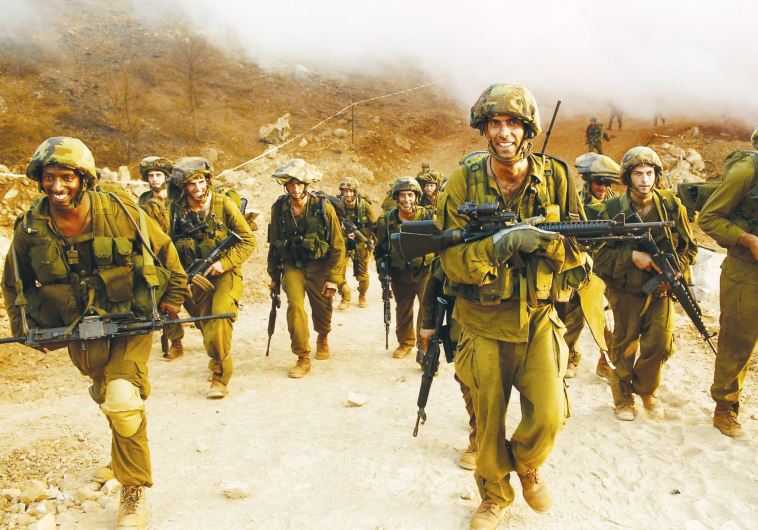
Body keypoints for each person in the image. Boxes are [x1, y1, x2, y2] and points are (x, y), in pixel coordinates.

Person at [2, 137, 188, 529]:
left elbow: (164, 250)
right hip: (78, 327)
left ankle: (133, 490)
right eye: (49, 177)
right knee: (108, 395)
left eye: (66, 177)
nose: (57, 186)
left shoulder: (118, 209)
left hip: (131, 317)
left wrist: (173, 298)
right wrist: (26, 331)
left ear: (83, 178)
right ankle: (122, 458)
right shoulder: (32, 226)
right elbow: (15, 282)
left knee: (122, 398)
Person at [439, 84, 586, 528]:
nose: (504, 133)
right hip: (482, 320)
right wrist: (501, 245)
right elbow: (450, 260)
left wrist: (546, 244)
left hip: (538, 316)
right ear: (484, 130)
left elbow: (581, 245)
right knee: (487, 422)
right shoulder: (464, 180)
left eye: (513, 124)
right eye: (495, 123)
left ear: (528, 129)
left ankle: (526, 465)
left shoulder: (556, 176)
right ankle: (494, 496)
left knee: (550, 412)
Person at [588, 146, 697, 421]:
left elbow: (689, 247)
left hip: (662, 290)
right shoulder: (611, 209)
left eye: (649, 173)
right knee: (623, 346)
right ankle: (623, 397)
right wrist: (631, 257)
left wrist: (673, 271)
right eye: (638, 174)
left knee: (660, 343)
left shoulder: (671, 205)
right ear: (628, 177)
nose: (645, 180)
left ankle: (647, 390)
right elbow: (599, 257)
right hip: (625, 291)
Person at [168, 157, 255, 398]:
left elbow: (248, 241)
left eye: (201, 181)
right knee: (206, 326)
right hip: (195, 278)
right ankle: (216, 356)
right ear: (183, 187)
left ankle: (220, 378)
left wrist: (223, 263)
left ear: (207, 180)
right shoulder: (176, 210)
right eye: (191, 184)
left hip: (224, 274)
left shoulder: (223, 204)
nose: (198, 188)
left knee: (220, 318)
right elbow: (167, 245)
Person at [698, 129, 758, 439]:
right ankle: (725, 407)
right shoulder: (745, 172)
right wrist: (747, 239)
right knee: (737, 340)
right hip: (746, 271)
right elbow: (709, 218)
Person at [267, 159, 346, 378]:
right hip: (293, 266)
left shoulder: (323, 207)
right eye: (291, 184)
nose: (295, 188)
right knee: (295, 307)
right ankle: (302, 356)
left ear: (306, 184)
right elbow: (274, 243)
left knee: (322, 308)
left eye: (299, 184)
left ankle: (323, 335)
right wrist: (273, 276)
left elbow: (338, 245)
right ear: (285, 185)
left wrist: (334, 279)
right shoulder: (279, 208)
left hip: (319, 266)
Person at [561, 153, 621, 379]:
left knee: (611, 321)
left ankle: (606, 363)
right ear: (588, 181)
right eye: (598, 182)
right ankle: (569, 357)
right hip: (582, 267)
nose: (603, 187)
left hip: (608, 268)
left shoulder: (617, 205)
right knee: (572, 318)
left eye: (607, 183)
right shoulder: (575, 205)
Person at [374, 177, 434, 359]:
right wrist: (382, 271)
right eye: (402, 195)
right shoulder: (386, 220)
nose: (406, 200)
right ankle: (405, 343)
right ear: (396, 197)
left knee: (427, 309)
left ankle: (424, 348)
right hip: (400, 273)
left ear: (416, 197)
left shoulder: (428, 216)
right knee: (403, 309)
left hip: (425, 272)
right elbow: (380, 249)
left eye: (410, 195)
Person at [136, 156, 185, 360]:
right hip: (158, 254)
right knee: (164, 299)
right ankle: (176, 342)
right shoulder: (144, 200)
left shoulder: (178, 197)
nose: (155, 179)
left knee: (195, 300)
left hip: (182, 252)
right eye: (151, 175)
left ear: (166, 177)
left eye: (158, 175)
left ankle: (207, 328)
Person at [336, 177, 376, 310]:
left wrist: (361, 234)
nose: (347, 194)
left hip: (360, 242)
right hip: (343, 241)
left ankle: (362, 295)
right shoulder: (338, 205)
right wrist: (342, 229)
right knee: (337, 271)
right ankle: (345, 296)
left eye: (350, 191)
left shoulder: (364, 205)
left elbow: (373, 225)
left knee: (362, 275)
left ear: (355, 192)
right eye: (345, 191)